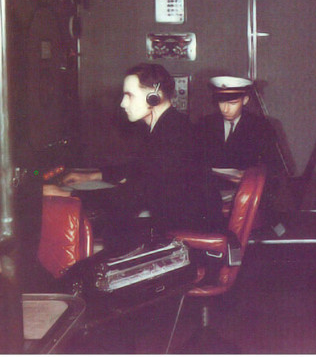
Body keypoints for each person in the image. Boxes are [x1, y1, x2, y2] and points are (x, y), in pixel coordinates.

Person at [62, 63, 218, 249]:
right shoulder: (168, 126)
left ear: (154, 97)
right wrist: (92, 176)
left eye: (129, 95)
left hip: (187, 238)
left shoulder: (174, 135)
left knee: (101, 234)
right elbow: (140, 167)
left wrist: (70, 195)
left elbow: (134, 194)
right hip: (179, 225)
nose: (122, 103)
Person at [196, 76, 287, 232]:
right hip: (210, 186)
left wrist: (250, 176)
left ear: (245, 100)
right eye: (221, 102)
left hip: (246, 188)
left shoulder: (261, 126)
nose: (225, 109)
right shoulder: (204, 124)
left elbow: (275, 165)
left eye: (232, 103)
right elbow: (193, 159)